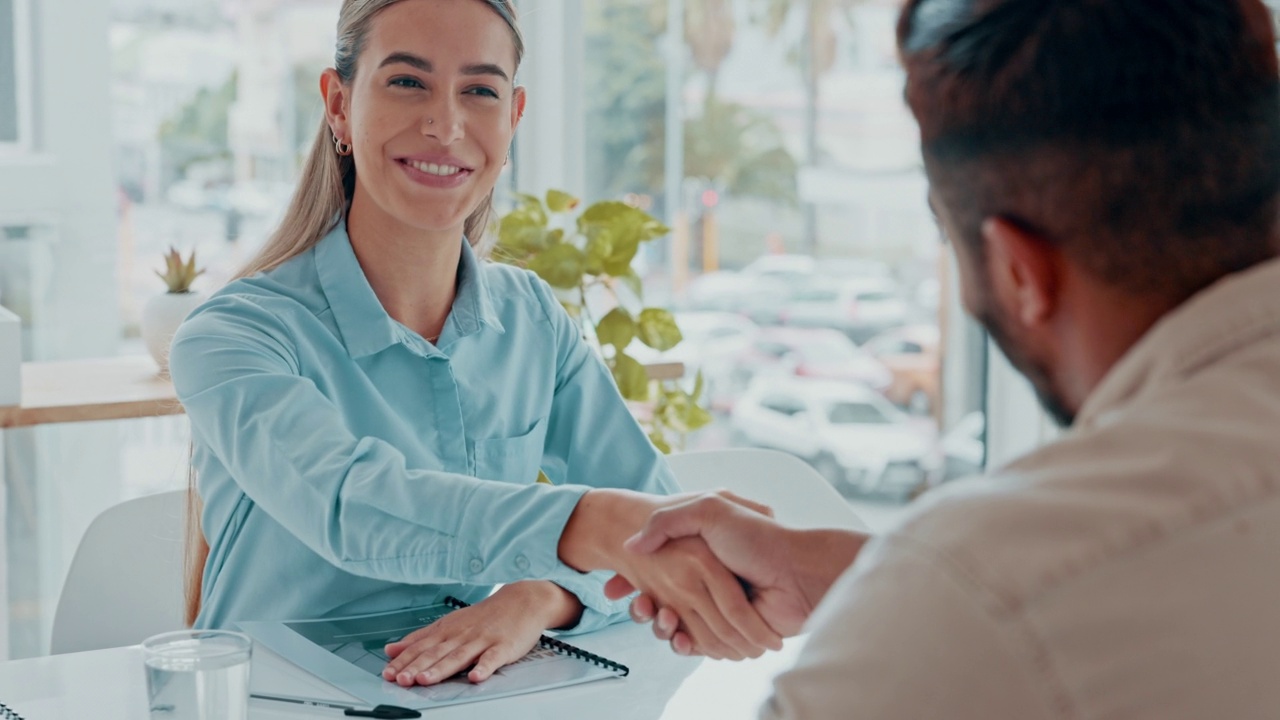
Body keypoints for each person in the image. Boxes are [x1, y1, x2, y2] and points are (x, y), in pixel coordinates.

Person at [607, 0, 1280, 716]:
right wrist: (868, 571)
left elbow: (1028, 599)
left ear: (1021, 272)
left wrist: (921, 589)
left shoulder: (969, 602)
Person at [169, 0, 779, 691]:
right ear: (338, 106)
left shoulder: (533, 321)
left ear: (513, 118)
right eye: (407, 82)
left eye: (480, 91)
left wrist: (543, 597)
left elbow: (650, 516)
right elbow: (350, 506)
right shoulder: (234, 337)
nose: (446, 125)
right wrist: (594, 523)